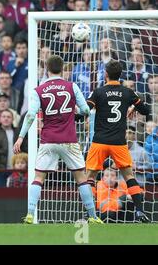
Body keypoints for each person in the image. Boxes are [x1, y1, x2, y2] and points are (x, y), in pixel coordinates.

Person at [13, 55, 102, 224]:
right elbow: (85, 110)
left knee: (38, 177)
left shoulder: (38, 90)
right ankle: (93, 216)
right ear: (62, 68)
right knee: (81, 178)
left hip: (48, 140)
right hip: (69, 139)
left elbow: (31, 115)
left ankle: (30, 214)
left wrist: (20, 137)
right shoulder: (72, 86)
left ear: (46, 69)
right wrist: (73, 111)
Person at [86, 60, 151, 223]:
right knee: (129, 176)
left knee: (90, 177)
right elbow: (146, 110)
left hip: (99, 141)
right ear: (120, 75)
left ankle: (89, 215)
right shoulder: (127, 92)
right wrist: (132, 108)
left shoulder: (98, 92)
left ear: (106, 74)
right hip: (119, 143)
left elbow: (86, 110)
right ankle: (140, 211)